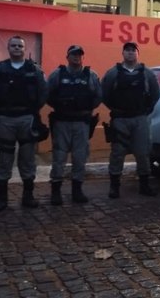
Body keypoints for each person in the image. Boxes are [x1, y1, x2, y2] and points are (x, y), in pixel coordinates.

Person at [0, 35, 48, 212]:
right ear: (8, 48)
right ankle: (2, 199)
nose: (17, 48)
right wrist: (2, 110)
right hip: (6, 119)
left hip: (27, 118)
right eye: (13, 46)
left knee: (27, 158)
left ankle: (28, 196)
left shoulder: (34, 69)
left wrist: (33, 110)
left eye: (20, 46)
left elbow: (43, 92)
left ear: (24, 48)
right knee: (5, 158)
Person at [101, 42, 160, 198]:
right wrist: (116, 110)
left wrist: (145, 111)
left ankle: (144, 185)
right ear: (122, 53)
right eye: (127, 50)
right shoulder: (113, 73)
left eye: (133, 50)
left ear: (138, 53)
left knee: (142, 153)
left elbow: (155, 95)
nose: (130, 53)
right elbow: (105, 95)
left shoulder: (147, 73)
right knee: (117, 153)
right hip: (120, 119)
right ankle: (114, 186)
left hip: (140, 119)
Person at [46, 45, 102, 205]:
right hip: (62, 122)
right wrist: (62, 106)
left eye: (79, 54)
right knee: (59, 157)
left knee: (80, 157)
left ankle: (77, 190)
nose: (76, 57)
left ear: (83, 57)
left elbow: (98, 96)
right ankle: (55, 191)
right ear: (67, 56)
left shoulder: (91, 75)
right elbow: (47, 95)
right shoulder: (57, 74)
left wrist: (85, 108)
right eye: (73, 54)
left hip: (81, 123)